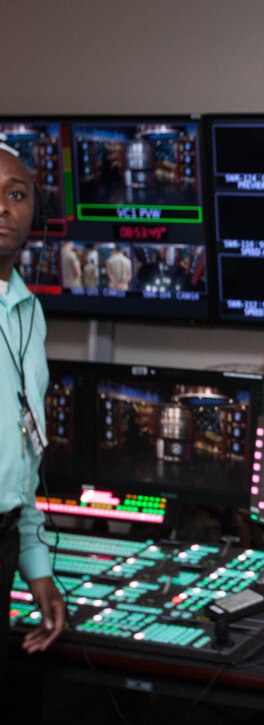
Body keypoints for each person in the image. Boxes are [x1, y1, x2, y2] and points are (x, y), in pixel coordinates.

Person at [0, 145, 65, 676]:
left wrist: (36, 566)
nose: (3, 207)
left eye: (16, 194)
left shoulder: (28, 313)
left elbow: (24, 460)